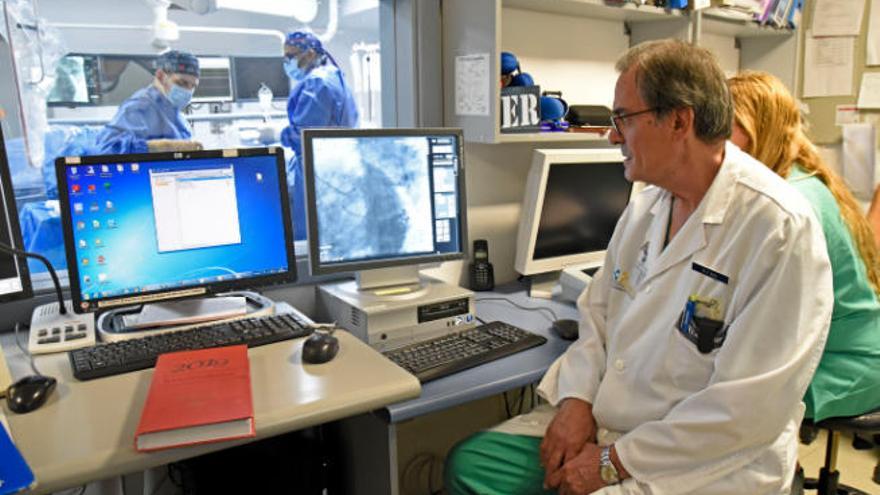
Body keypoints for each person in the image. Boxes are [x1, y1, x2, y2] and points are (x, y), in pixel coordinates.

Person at [445, 39, 833, 495]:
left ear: (679, 121)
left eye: (623, 119)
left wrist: (612, 462)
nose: (611, 135)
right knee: (470, 467)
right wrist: (576, 400)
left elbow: (746, 411)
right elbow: (598, 316)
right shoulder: (647, 205)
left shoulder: (778, 228)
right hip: (612, 424)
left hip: (707, 462)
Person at [728, 70, 880, 422]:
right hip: (838, 346)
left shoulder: (793, 199)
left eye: (726, 125)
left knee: (739, 405)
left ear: (757, 128)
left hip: (848, 362)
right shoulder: (792, 174)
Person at [280, 31, 359, 240]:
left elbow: (302, 137)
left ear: (311, 53)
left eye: (291, 56)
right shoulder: (335, 77)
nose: (287, 62)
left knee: (313, 243)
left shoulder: (317, 83)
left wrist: (282, 136)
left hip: (318, 172)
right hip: (340, 168)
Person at [95, 50, 203, 155]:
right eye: (181, 83)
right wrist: (162, 147)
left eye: (192, 86)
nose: (187, 91)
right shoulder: (139, 107)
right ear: (160, 76)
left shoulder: (173, 111)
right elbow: (106, 149)